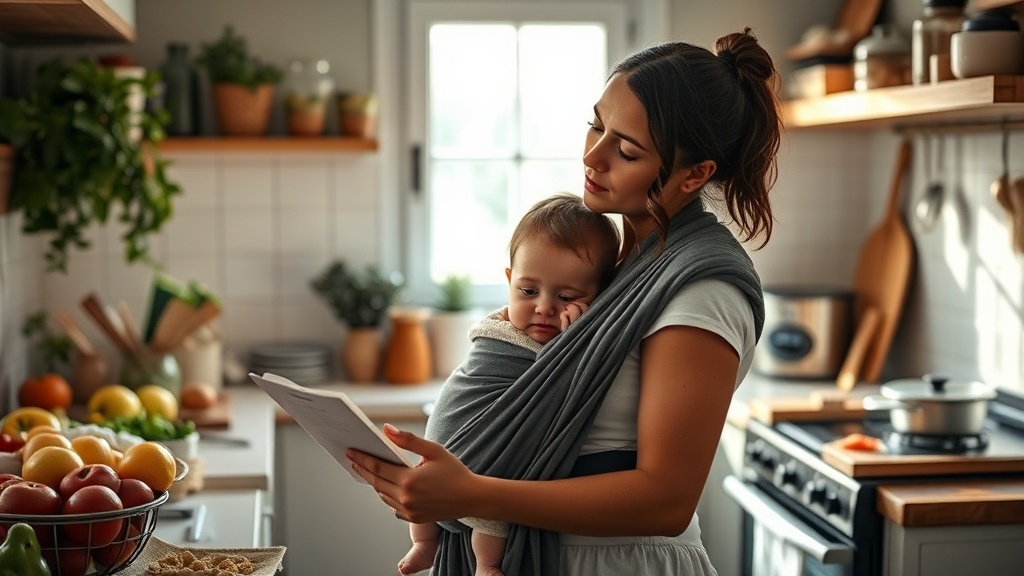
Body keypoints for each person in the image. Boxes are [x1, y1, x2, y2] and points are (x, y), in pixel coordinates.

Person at [349, 26, 781, 576]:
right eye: (596, 126)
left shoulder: (701, 289)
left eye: (626, 150)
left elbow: (667, 500)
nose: (593, 158)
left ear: (694, 174)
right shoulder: (620, 266)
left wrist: (473, 494)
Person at [401, 193, 622, 576]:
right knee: (422, 484)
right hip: (448, 434)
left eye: (566, 296)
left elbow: (559, 391)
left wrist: (575, 340)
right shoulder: (497, 333)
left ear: (599, 299)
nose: (544, 307)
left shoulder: (565, 344)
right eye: (528, 291)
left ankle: (487, 564)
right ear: (509, 280)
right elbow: (480, 375)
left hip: (493, 468)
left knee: (494, 507)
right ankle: (423, 542)